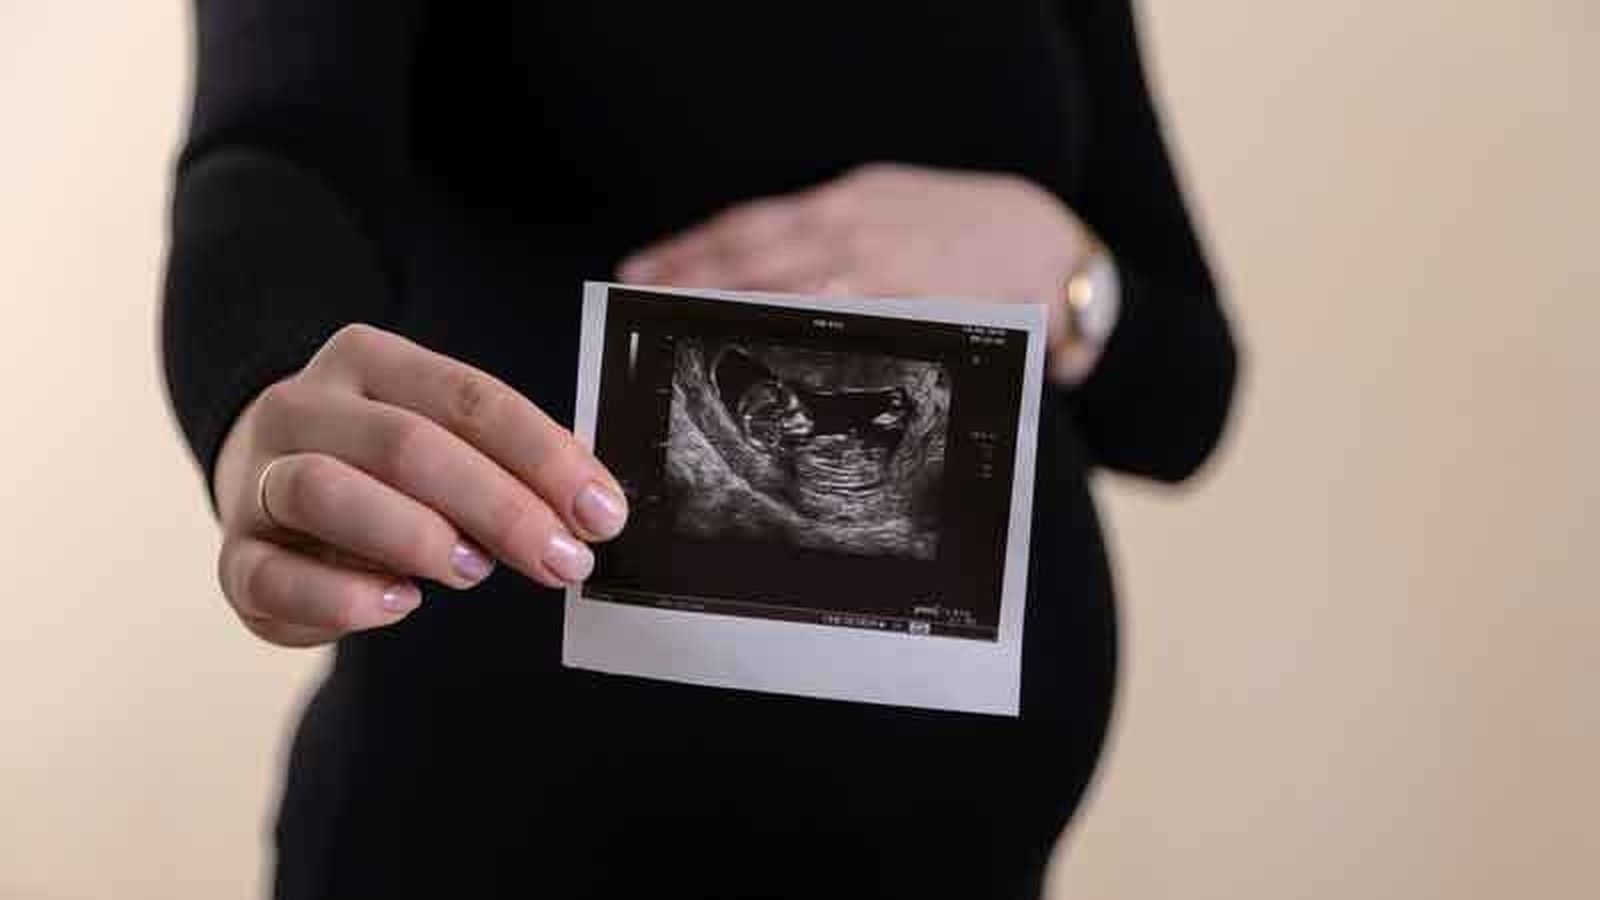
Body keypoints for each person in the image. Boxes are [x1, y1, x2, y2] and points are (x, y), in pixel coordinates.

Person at [160, 2, 1238, 897]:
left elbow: (1183, 399)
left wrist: (1067, 270)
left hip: (970, 865)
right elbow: (276, 156)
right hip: (492, 836)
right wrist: (264, 390)